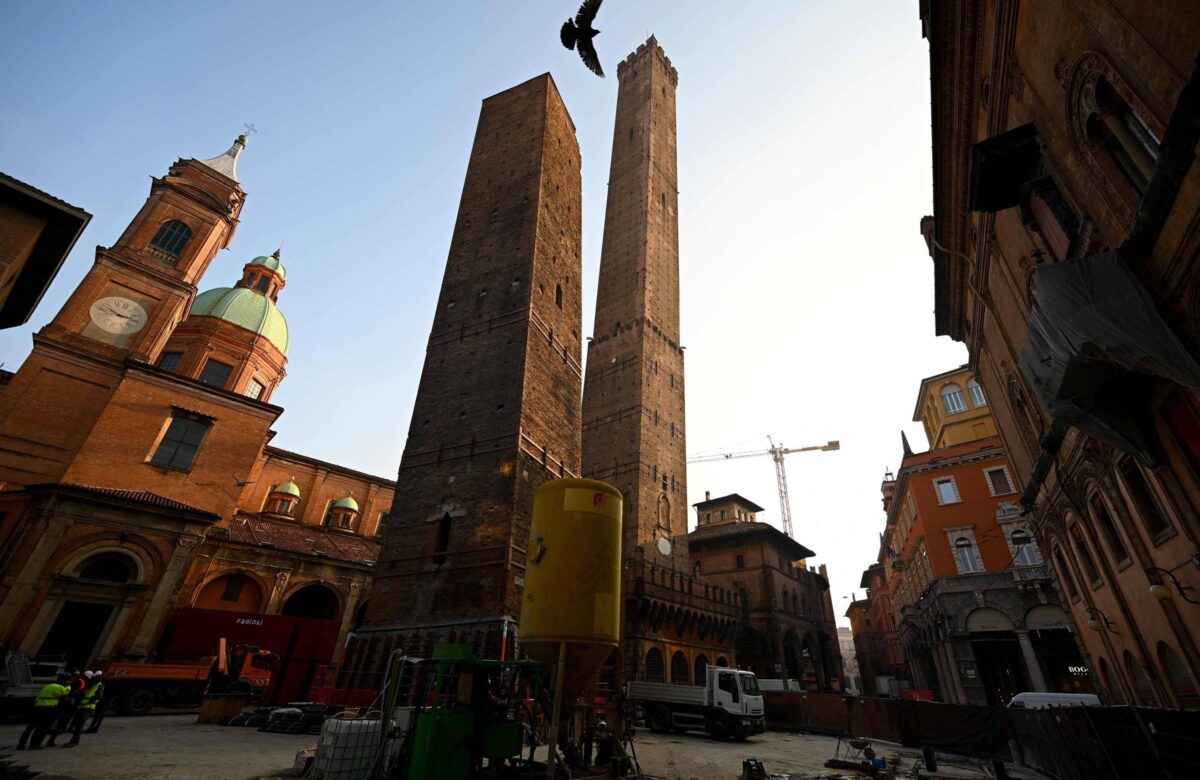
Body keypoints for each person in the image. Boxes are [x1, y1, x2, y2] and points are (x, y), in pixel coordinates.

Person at [16, 672, 71, 750]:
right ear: (65, 680)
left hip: (38, 707)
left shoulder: (47, 686)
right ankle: (34, 745)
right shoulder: (59, 687)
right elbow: (67, 694)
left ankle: (21, 744)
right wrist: (69, 686)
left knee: (30, 727)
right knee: (42, 728)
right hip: (48, 709)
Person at [64, 671, 104, 747]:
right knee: (78, 724)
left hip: (88, 707)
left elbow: (99, 696)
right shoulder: (93, 685)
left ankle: (74, 741)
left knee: (79, 724)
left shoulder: (99, 685)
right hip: (83, 706)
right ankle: (74, 740)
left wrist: (89, 700)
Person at [46, 670, 85, 748]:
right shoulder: (70, 686)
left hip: (55, 706)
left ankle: (49, 739)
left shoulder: (57, 685)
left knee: (53, 723)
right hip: (64, 707)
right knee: (59, 725)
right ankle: (50, 740)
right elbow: (70, 696)